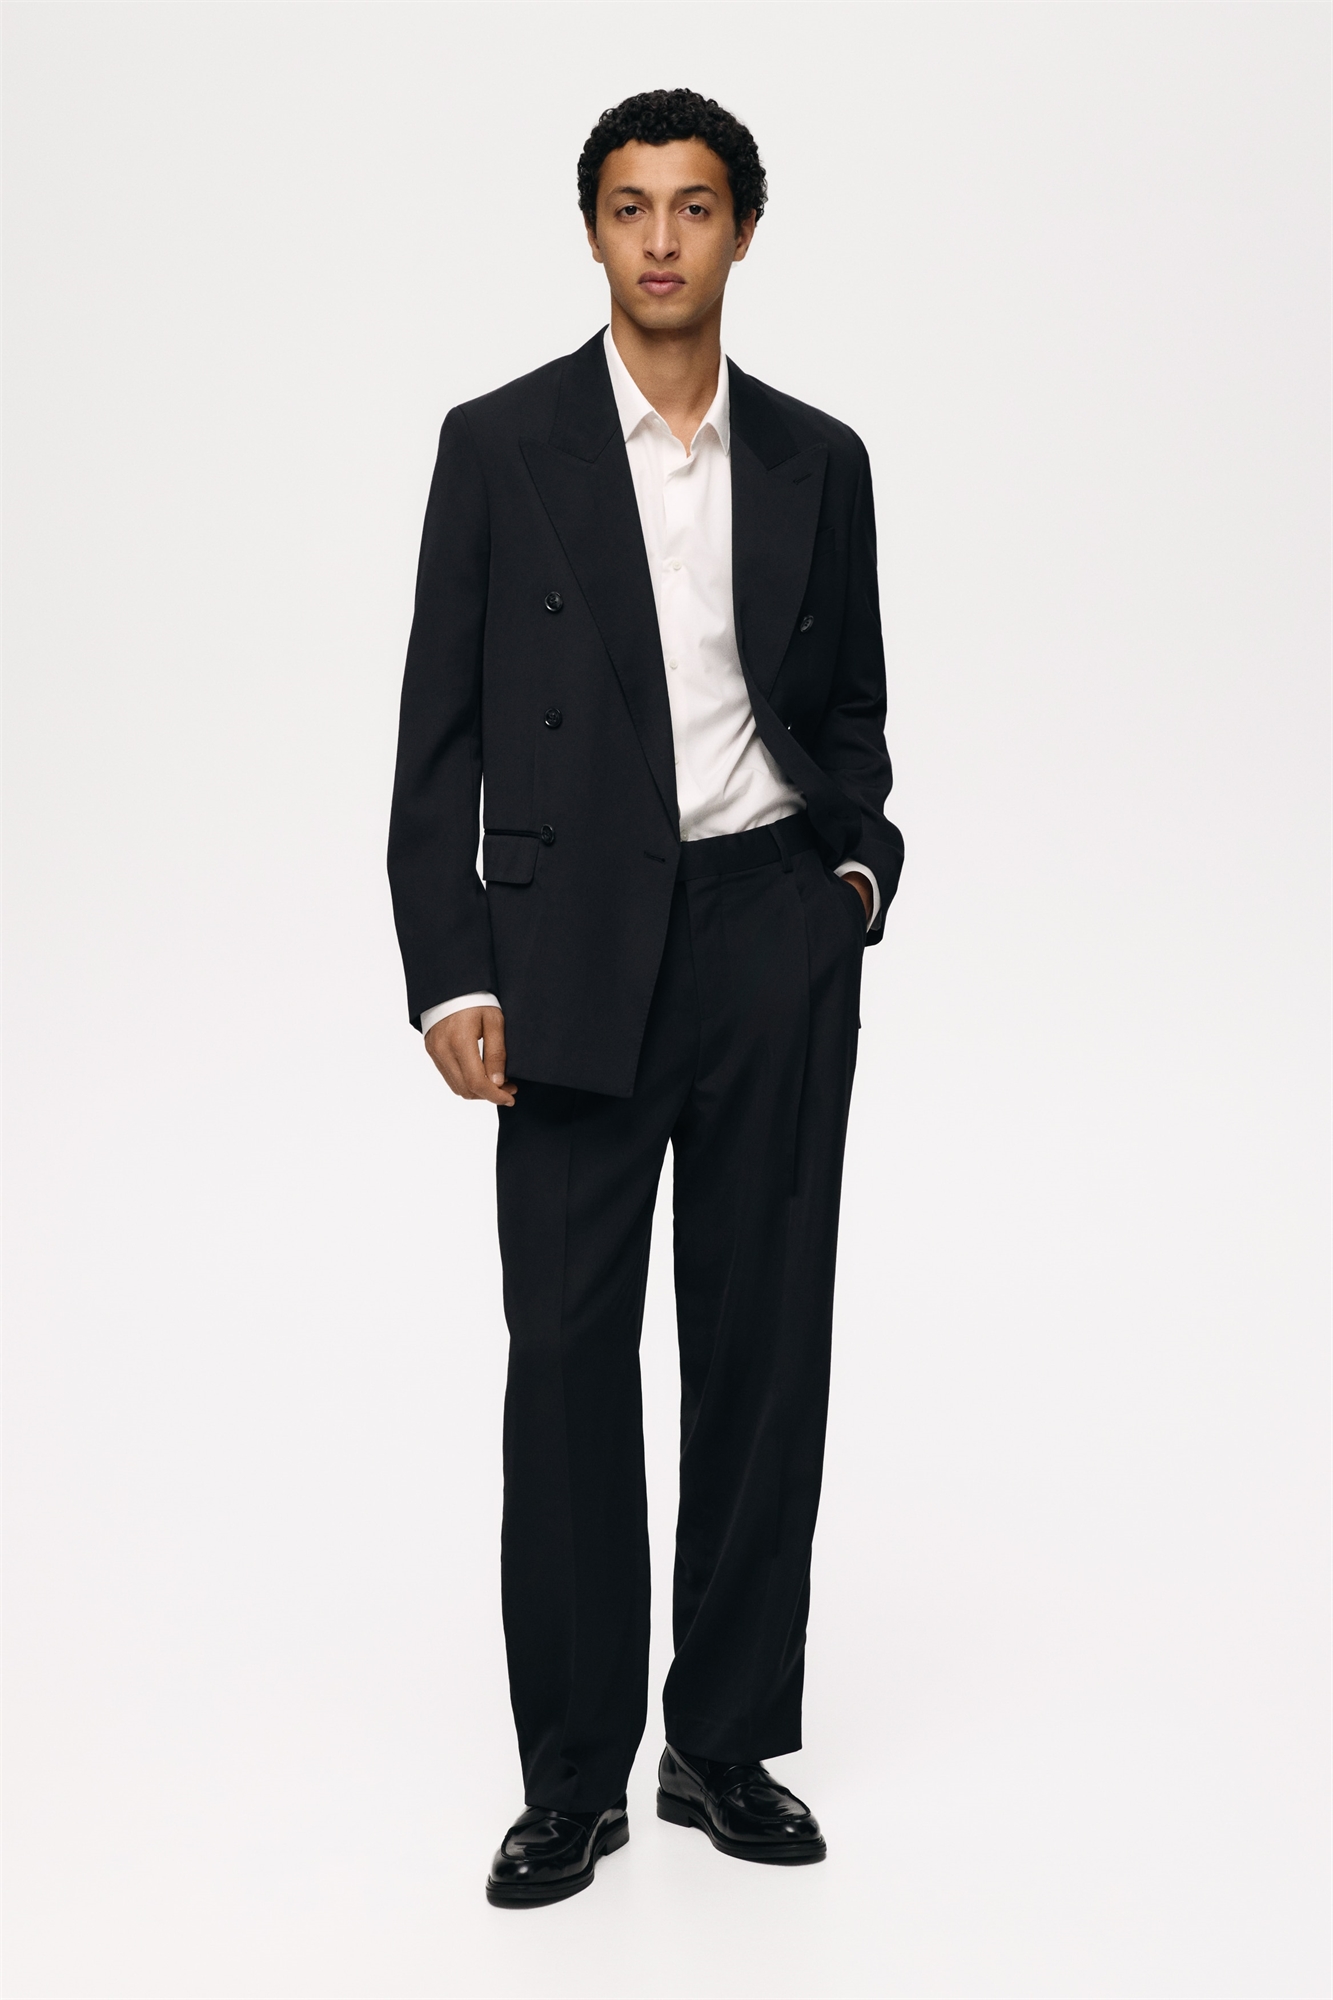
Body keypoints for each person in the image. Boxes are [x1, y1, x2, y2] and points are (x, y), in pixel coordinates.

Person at [388, 87, 904, 1908]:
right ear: (593, 230)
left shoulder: (819, 458)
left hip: (768, 932)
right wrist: (450, 969)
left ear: (741, 230)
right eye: (630, 206)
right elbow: (437, 731)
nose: (662, 238)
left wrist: (851, 882)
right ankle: (568, 1779)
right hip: (568, 955)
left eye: (693, 206)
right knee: (564, 1364)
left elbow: (852, 714)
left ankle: (723, 1744)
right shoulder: (499, 444)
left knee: (763, 1354)